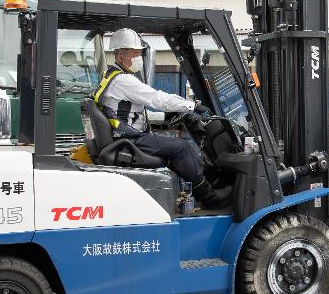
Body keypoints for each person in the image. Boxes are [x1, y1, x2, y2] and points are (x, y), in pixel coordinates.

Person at [94, 28, 231, 209]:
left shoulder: (111, 76)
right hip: (129, 140)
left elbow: (128, 114)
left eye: (140, 54)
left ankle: (205, 183)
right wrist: (192, 106)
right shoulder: (124, 81)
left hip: (122, 136)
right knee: (181, 148)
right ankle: (209, 196)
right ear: (120, 55)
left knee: (175, 148)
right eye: (135, 53)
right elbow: (157, 98)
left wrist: (163, 116)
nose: (139, 58)